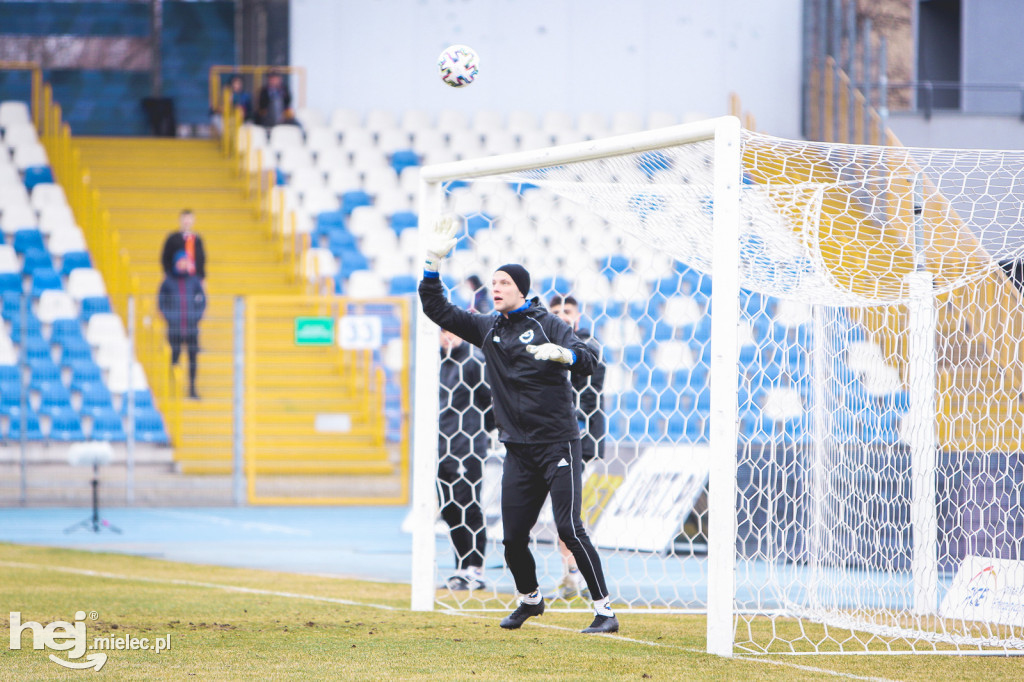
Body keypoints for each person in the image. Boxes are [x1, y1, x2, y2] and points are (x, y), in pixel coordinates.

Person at [418, 217, 619, 634]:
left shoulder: (548, 324)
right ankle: (530, 599)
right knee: (512, 539)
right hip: (517, 449)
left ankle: (604, 610)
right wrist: (432, 265)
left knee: (568, 527)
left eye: (504, 283)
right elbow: (438, 309)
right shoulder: (487, 328)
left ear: (522, 290)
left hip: (559, 444)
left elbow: (589, 359)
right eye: (493, 283)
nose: (495, 288)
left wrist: (567, 357)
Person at [549, 294, 606, 599]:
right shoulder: (545, 344)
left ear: (578, 315)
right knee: (562, 512)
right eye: (555, 311)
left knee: (569, 512)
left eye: (566, 311)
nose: (562, 315)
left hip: (580, 438)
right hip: (550, 436)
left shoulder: (588, 345)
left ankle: (578, 575)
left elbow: (589, 386)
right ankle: (571, 574)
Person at [438, 328, 494, 591]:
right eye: (443, 332)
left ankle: (476, 569)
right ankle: (461, 568)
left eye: (452, 331)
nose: (447, 336)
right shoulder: (437, 363)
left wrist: (477, 433)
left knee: (468, 506)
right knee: (449, 510)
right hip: (440, 449)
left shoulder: (473, 360)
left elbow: (491, 402)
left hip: (466, 447)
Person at [158, 250, 206, 399]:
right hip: (174, 329)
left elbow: (203, 300)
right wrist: (170, 317)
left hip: (191, 328)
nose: (183, 264)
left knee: (193, 360)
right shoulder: (168, 282)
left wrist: (196, 316)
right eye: (181, 261)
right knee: (174, 359)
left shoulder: (194, 280)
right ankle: (172, 391)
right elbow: (161, 302)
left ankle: (192, 389)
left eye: (186, 261)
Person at [160, 209, 206, 282]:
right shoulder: (172, 238)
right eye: (185, 218)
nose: (187, 222)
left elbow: (201, 259)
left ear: (193, 221)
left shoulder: (197, 239)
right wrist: (167, 274)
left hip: (194, 278)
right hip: (175, 278)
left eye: (189, 219)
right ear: (180, 220)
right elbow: (165, 257)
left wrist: (202, 277)